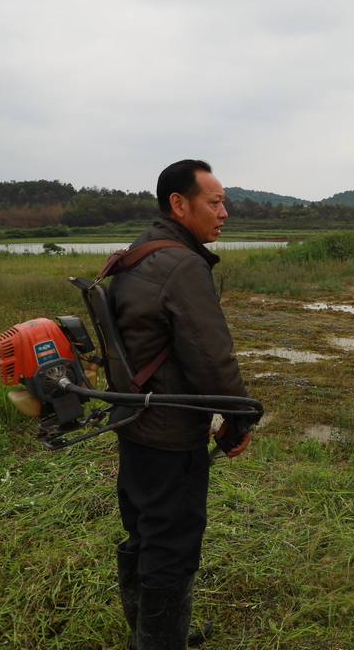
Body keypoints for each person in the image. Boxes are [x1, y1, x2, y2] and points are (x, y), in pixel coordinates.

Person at [110, 159, 256, 649]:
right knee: (171, 545)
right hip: (170, 436)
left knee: (144, 532)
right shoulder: (183, 266)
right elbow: (214, 360)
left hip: (133, 424)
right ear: (179, 203)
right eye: (215, 202)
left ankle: (153, 635)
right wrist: (240, 421)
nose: (225, 212)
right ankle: (159, 642)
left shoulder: (140, 252)